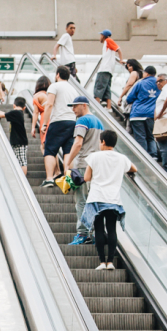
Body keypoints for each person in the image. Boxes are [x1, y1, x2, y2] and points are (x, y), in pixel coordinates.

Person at [83, 130, 136, 270]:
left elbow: (86, 178)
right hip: (114, 199)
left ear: (103, 142)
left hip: (97, 198)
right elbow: (134, 169)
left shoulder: (94, 157)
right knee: (112, 229)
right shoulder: (121, 158)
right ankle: (111, 262)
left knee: (99, 229)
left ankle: (101, 262)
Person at [62, 97, 103, 246]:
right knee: (91, 200)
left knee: (81, 200)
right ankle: (92, 232)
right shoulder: (99, 122)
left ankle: (83, 234)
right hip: (96, 165)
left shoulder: (82, 121)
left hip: (84, 164)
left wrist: (67, 161)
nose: (73, 110)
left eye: (75, 106)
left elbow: (78, 143)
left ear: (83, 105)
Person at [38, 66, 79, 187]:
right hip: (72, 122)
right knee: (68, 151)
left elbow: (49, 104)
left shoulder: (54, 86)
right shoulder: (73, 89)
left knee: (50, 150)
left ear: (57, 75)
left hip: (58, 121)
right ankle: (68, 180)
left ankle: (50, 178)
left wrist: (45, 123)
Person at [126, 65, 158, 158]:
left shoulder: (140, 83)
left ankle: (143, 157)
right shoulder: (159, 84)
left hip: (137, 114)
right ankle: (153, 156)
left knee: (140, 137)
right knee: (151, 137)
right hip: (152, 115)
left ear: (146, 73)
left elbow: (129, 98)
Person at [0, 96, 29, 174]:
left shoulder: (16, 113)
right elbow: (4, 114)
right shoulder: (18, 113)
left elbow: (2, 115)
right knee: (20, 161)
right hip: (17, 142)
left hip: (20, 142)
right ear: (24, 108)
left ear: (14, 105)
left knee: (22, 162)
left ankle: (23, 179)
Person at [94, 30, 122, 110]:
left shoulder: (108, 40)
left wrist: (121, 59)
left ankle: (97, 107)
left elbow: (118, 49)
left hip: (104, 69)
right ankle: (108, 107)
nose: (100, 37)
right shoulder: (107, 43)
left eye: (101, 35)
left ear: (103, 36)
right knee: (106, 89)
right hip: (109, 70)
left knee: (98, 88)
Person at [154, 74, 167, 174]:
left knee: (163, 146)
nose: (158, 83)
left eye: (161, 80)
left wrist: (160, 113)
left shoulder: (166, 88)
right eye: (157, 81)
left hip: (164, 121)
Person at [31, 76, 51, 148]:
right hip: (54, 118)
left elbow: (35, 113)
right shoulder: (51, 94)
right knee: (53, 148)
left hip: (45, 119)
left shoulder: (37, 95)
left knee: (43, 146)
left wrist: (33, 127)